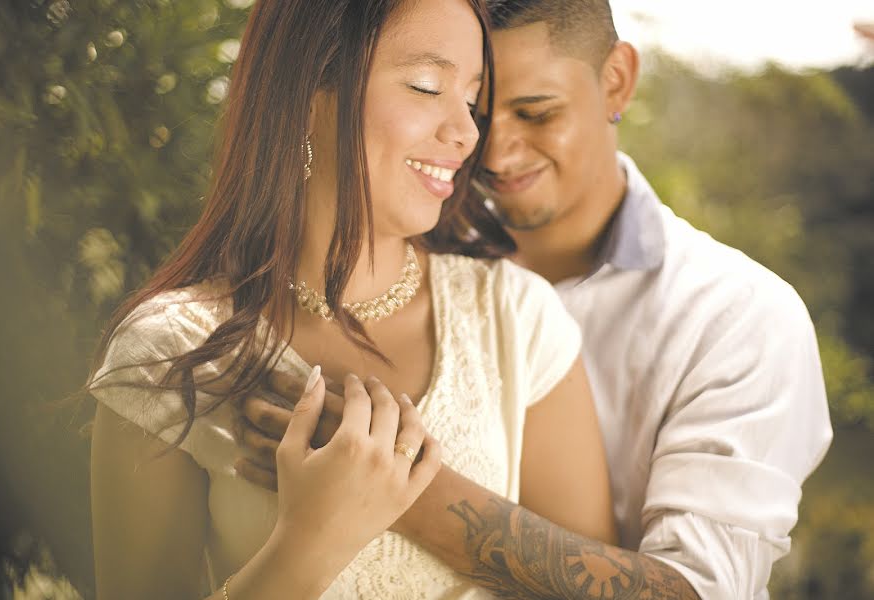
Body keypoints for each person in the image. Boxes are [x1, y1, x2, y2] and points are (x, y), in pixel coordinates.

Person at [239, 1, 833, 598]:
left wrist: (395, 486)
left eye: (537, 113)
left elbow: (700, 592)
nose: (492, 155)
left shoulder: (739, 317)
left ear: (616, 81)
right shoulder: (409, 255)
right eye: (476, 110)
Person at [88, 0, 615, 598]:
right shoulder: (166, 354)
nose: (468, 133)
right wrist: (311, 541)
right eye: (425, 86)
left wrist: (426, 503)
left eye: (470, 99)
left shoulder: (515, 318)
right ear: (309, 96)